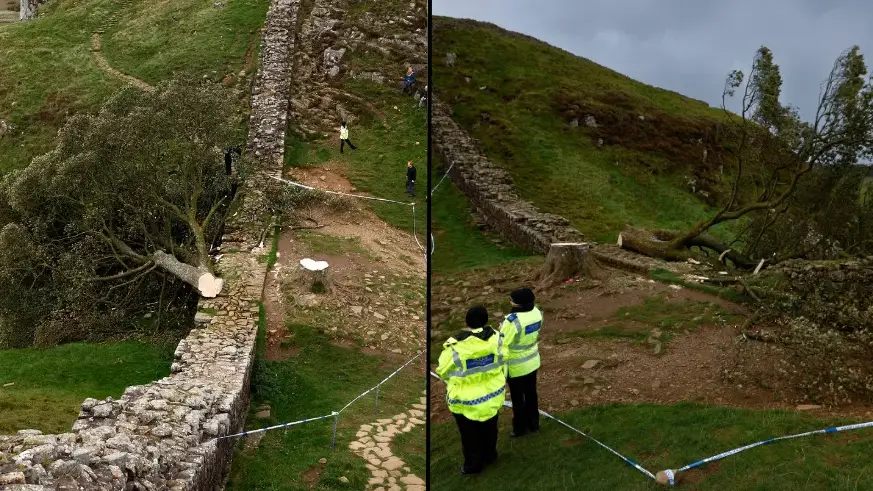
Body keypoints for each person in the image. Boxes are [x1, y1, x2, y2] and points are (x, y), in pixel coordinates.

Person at [436, 306, 506, 476]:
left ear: (467, 322)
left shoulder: (455, 347)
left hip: (466, 401)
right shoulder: (497, 339)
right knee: (490, 428)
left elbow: (442, 370)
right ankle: (490, 456)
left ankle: (473, 466)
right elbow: (504, 356)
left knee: (469, 435)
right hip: (492, 395)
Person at [498, 287, 543, 438]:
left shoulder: (512, 321)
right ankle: (534, 423)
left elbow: (503, 343)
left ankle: (519, 428)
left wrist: (501, 331)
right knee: (531, 393)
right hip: (532, 360)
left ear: (517, 304)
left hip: (516, 365)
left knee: (518, 398)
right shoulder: (537, 313)